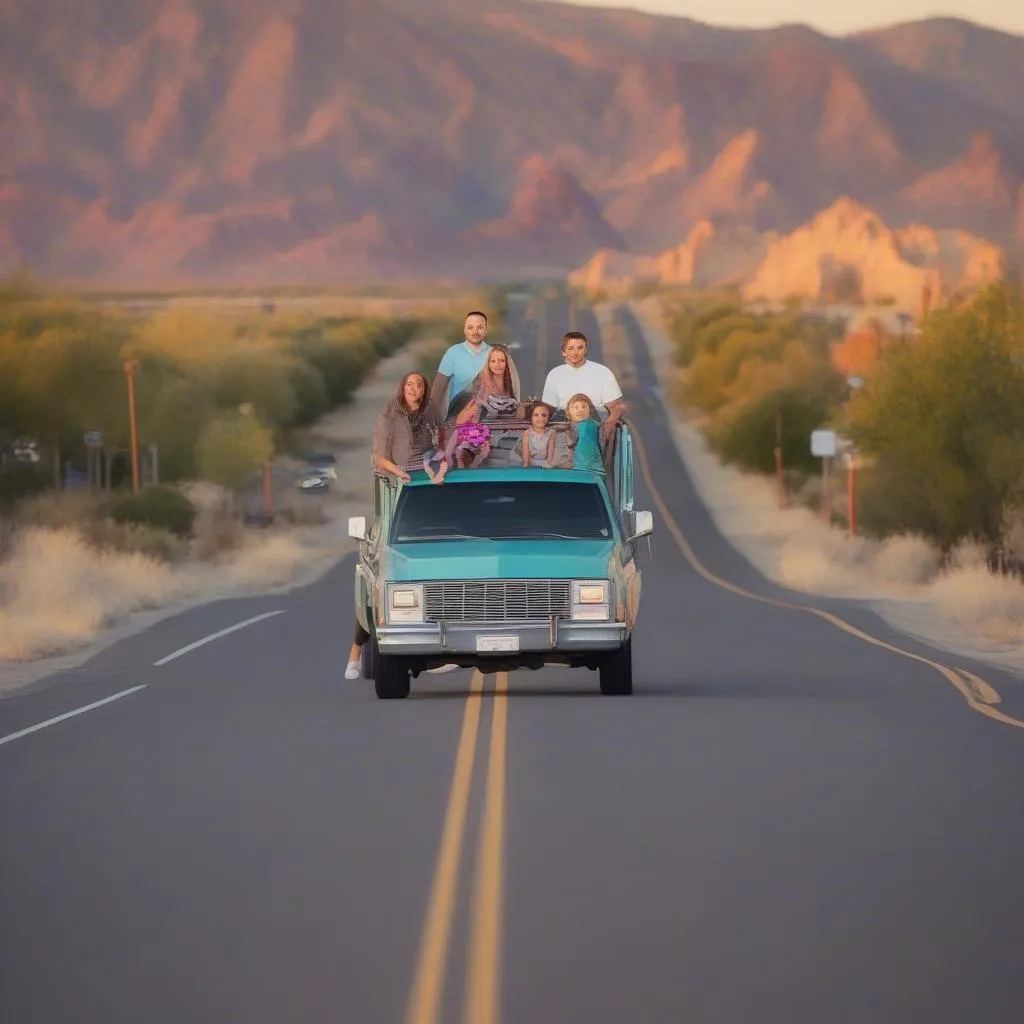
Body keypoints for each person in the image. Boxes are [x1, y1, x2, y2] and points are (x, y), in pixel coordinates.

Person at [541, 330, 626, 443]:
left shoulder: (602, 372)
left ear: (585, 350)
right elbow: (547, 409)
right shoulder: (554, 374)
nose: (575, 353)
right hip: (563, 431)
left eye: (580, 348)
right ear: (563, 351)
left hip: (595, 430)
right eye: (571, 348)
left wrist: (608, 424)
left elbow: (619, 407)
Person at [371, 370, 440, 482]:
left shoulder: (431, 408)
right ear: (403, 388)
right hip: (404, 472)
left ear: (424, 390)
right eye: (409, 384)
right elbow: (380, 458)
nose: (413, 389)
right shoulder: (390, 413)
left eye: (419, 385)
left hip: (431, 468)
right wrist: (400, 474)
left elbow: (443, 434)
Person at [431, 310, 492, 422]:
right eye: (470, 327)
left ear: (486, 330)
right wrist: (431, 421)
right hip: (458, 417)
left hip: (489, 418)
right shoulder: (452, 353)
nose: (475, 331)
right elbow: (437, 392)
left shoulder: (494, 354)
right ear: (464, 330)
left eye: (480, 327)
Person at [473, 344, 524, 420]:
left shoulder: (511, 384)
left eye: (502, 361)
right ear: (488, 363)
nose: (497, 364)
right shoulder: (478, 383)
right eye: (493, 361)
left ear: (507, 363)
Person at [566, 393, 604, 472]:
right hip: (579, 466)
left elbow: (602, 444)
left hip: (594, 466)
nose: (580, 410)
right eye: (576, 407)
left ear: (590, 409)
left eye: (584, 406)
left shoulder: (598, 426)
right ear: (569, 411)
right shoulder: (572, 427)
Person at [520, 400, 557, 467]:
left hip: (543, 461)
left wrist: (549, 465)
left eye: (544, 415)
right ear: (530, 417)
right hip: (529, 459)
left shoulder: (551, 433)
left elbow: (550, 453)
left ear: (548, 417)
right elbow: (525, 455)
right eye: (536, 415)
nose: (540, 418)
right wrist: (525, 465)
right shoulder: (527, 433)